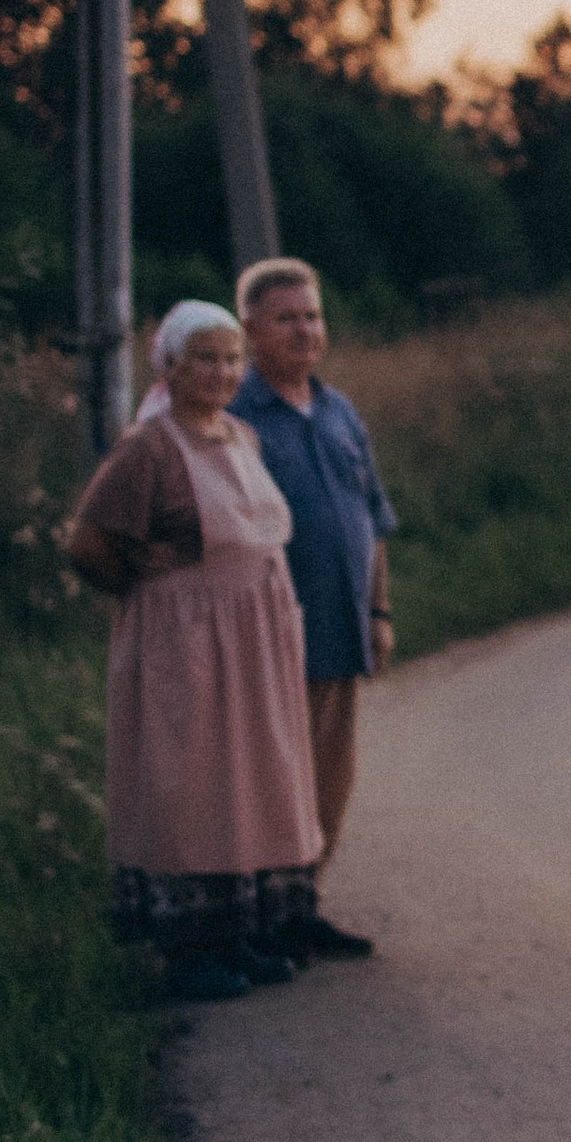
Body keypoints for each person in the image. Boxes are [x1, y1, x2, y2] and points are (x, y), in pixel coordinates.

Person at [63, 301, 324, 1003]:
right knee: (191, 782)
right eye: (205, 358)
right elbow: (85, 543)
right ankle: (188, 947)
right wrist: (146, 591)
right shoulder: (148, 447)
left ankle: (238, 930)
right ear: (170, 366)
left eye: (232, 358)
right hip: (185, 643)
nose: (221, 371)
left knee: (248, 777)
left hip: (254, 638)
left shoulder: (241, 434)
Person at [230, 257, 399, 961]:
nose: (304, 331)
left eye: (312, 316)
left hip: (339, 626)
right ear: (250, 329)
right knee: (269, 780)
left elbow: (372, 518)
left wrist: (379, 612)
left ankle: (303, 906)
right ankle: (256, 917)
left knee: (329, 777)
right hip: (265, 636)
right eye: (286, 319)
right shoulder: (233, 416)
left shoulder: (338, 411)